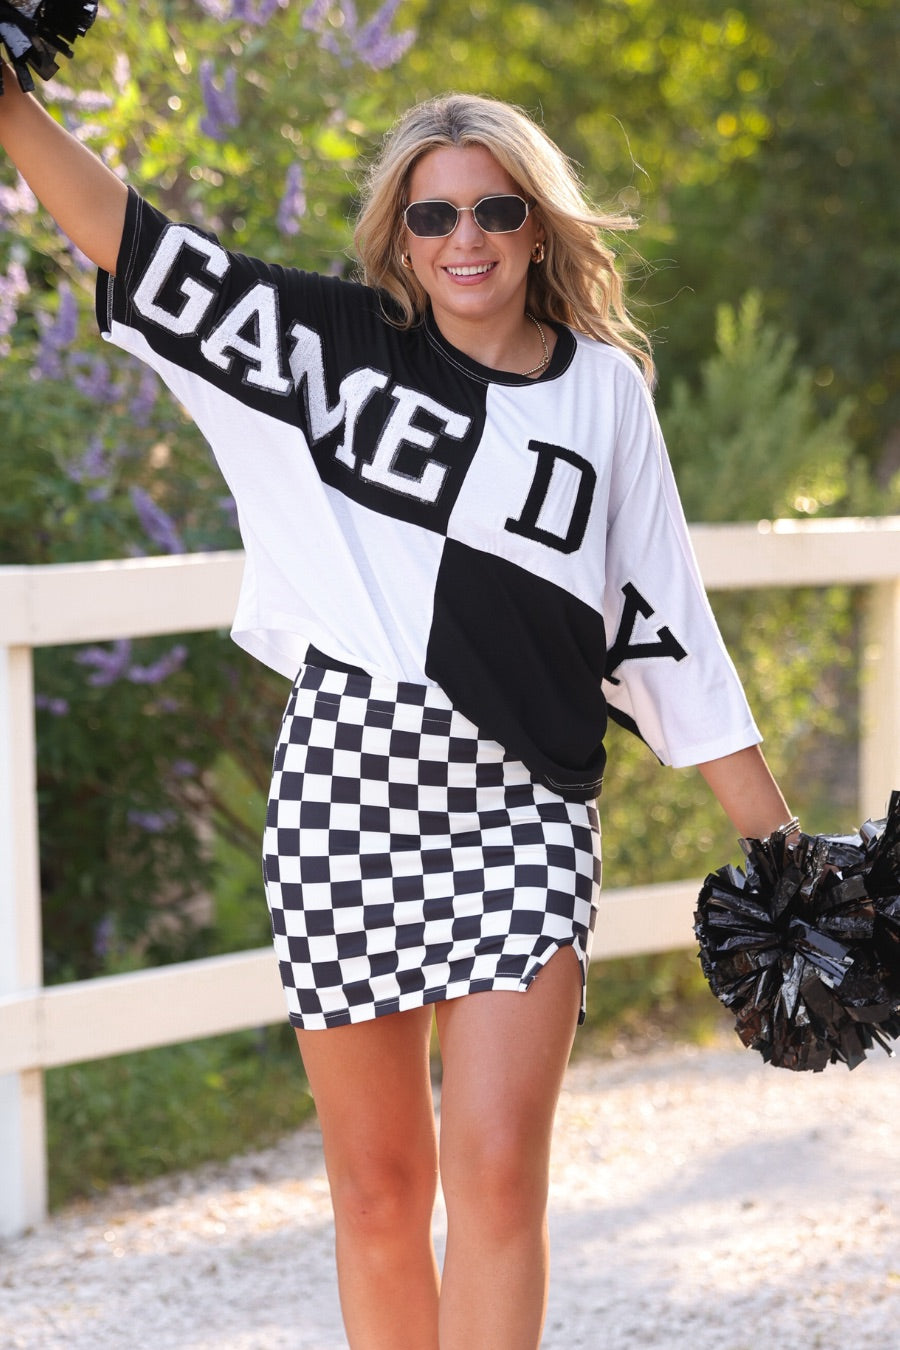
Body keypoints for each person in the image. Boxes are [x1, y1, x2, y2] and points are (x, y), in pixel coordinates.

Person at [1, 73, 799, 1350]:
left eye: (495, 210)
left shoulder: (604, 393)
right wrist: (10, 103)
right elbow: (131, 239)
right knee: (377, 1194)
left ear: (537, 225)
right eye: (435, 217)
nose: (465, 240)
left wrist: (787, 859)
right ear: (402, 237)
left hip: (523, 813)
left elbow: (667, 628)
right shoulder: (321, 347)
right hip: (345, 797)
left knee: (497, 1176)